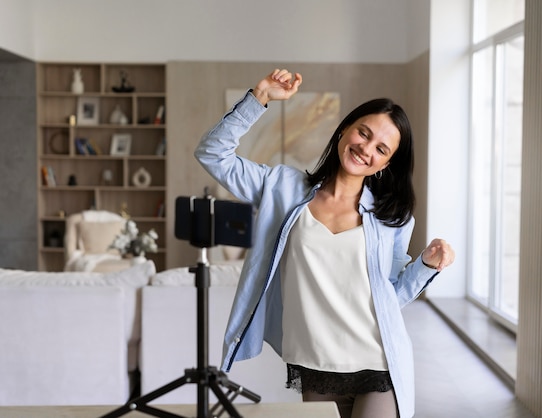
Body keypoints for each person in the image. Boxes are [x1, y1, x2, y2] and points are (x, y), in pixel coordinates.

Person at [194, 69, 455, 418]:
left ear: (386, 163)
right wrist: (261, 97)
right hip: (315, 362)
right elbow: (212, 154)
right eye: (363, 132)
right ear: (344, 129)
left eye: (381, 148)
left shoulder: (392, 217)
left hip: (378, 361)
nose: (365, 148)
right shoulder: (282, 189)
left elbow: (391, 296)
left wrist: (425, 266)